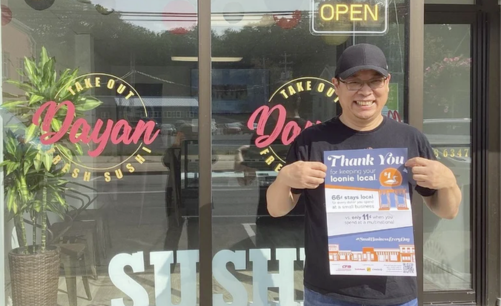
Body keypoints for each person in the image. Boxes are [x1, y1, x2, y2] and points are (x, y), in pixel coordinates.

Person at [266, 43, 462, 306]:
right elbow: (277, 209)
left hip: (395, 293)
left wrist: (448, 182)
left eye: (375, 81)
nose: (365, 91)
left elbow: (446, 210)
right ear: (336, 85)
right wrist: (285, 179)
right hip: (327, 293)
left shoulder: (410, 138)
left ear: (387, 83)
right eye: (354, 82)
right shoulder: (312, 140)